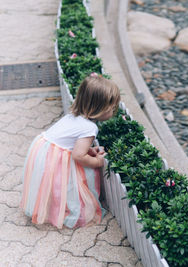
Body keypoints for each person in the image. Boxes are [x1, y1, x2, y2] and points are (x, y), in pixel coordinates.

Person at [20, 75, 120, 229]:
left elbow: (74, 144)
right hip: (54, 156)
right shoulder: (90, 128)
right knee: (65, 184)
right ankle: (65, 209)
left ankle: (51, 204)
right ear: (99, 108)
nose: (114, 111)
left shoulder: (73, 116)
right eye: (112, 108)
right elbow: (78, 155)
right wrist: (97, 161)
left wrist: (90, 150)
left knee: (52, 183)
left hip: (43, 147)